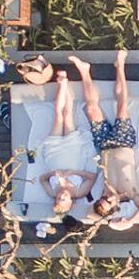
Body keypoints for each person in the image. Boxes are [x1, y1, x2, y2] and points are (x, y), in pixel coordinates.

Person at [69, 50, 139, 232]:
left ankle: (84, 71)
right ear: (116, 207)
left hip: (104, 147)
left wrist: (106, 220)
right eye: (108, 201)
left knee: (91, 109)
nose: (107, 197)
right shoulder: (131, 193)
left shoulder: (103, 193)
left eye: (103, 199)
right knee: (122, 108)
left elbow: (89, 215)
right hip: (123, 143)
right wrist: (129, 221)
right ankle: (120, 66)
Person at [36, 71, 98, 219]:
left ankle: (62, 84)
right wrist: (72, 173)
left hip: (54, 152)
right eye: (63, 200)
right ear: (71, 201)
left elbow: (42, 179)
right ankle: (65, 83)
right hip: (73, 151)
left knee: (58, 115)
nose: (60, 196)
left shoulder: (51, 192)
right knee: (68, 115)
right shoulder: (79, 192)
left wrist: (53, 174)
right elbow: (92, 177)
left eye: (58, 199)